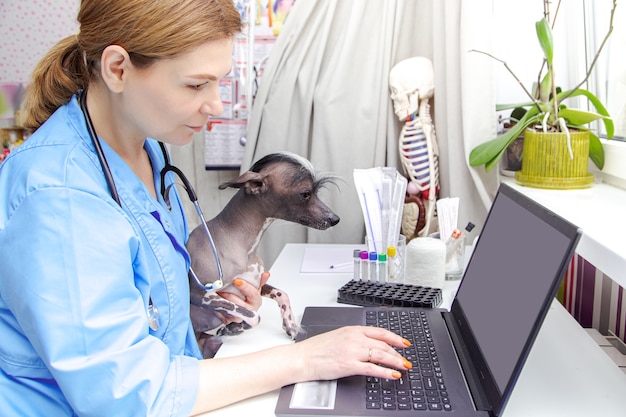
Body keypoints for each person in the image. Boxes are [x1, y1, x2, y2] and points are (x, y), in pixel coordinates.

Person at [0, 0, 411, 415]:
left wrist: (210, 303)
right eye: (196, 85)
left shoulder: (148, 152)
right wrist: (306, 359)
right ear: (118, 69)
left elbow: (150, 300)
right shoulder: (59, 197)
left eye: (219, 82)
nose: (216, 105)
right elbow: (124, 394)